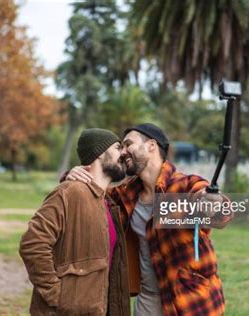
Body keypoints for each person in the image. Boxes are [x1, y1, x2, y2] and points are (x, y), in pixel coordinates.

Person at [66, 123, 233, 316]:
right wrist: (72, 176)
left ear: (151, 145)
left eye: (128, 144)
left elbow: (220, 212)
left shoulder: (186, 185)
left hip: (191, 302)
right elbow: (91, 194)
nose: (123, 152)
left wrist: (213, 203)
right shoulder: (127, 193)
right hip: (148, 299)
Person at [20, 128, 130, 316]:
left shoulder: (108, 202)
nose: (124, 153)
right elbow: (33, 244)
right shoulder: (69, 192)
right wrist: (58, 297)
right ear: (99, 153)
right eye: (118, 147)